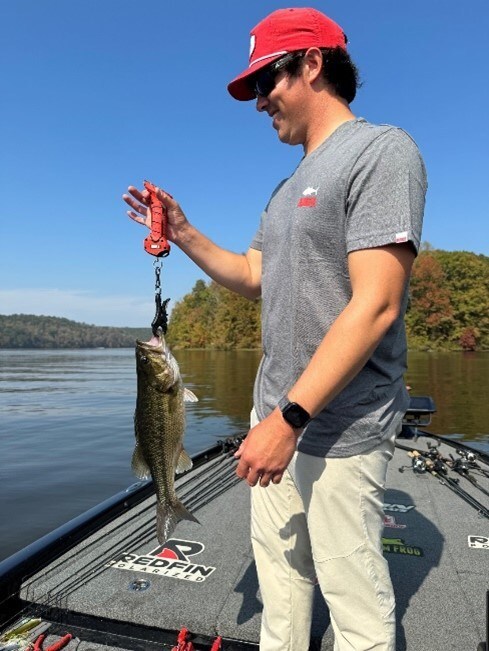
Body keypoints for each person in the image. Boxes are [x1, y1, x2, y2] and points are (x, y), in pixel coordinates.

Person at [123, 7, 426, 650]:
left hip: (337, 428)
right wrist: (182, 233)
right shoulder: (284, 191)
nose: (260, 101)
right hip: (273, 423)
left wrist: (289, 420)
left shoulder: (380, 152)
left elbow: (376, 304)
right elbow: (253, 272)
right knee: (281, 596)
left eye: (268, 81)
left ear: (313, 63)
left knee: (355, 608)